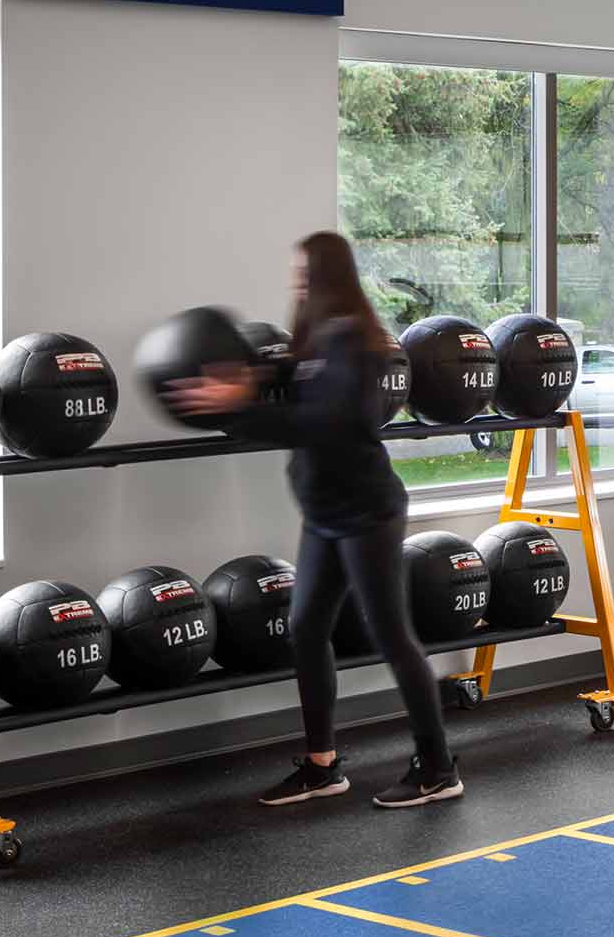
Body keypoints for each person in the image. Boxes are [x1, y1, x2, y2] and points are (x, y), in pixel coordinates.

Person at [168, 232, 462, 810]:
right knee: (305, 629)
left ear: (332, 276)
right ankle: (323, 766)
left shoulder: (355, 344)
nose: (297, 281)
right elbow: (287, 400)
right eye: (295, 271)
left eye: (306, 272)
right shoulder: (314, 344)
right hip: (325, 514)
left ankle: (438, 767)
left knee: (392, 637)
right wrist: (241, 389)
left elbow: (324, 420)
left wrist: (240, 405)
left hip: (367, 512)